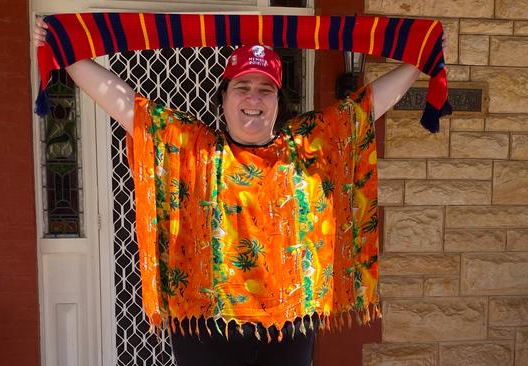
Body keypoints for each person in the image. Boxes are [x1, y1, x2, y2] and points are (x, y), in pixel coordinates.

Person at [34, 17, 421, 366]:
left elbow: (366, 109)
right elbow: (124, 105)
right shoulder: (193, 150)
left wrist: (420, 59)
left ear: (277, 101)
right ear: (224, 98)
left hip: (289, 323)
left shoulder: (306, 146)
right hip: (206, 326)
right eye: (243, 87)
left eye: (265, 89)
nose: (253, 98)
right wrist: (68, 56)